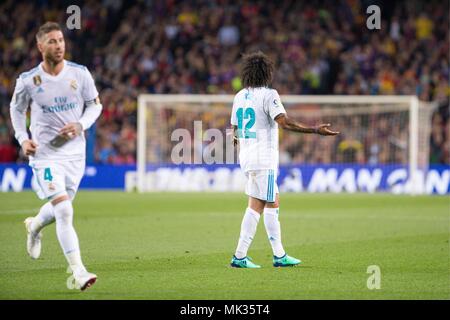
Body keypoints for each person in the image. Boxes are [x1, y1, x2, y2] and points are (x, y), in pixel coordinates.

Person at [9, 22, 102, 289]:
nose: (58, 45)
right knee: (64, 208)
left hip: (75, 154)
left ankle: (35, 226)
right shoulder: (28, 81)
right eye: (52, 41)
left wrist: (81, 124)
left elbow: (95, 106)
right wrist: (23, 138)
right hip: (44, 154)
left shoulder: (80, 74)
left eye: (61, 40)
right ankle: (79, 271)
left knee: (61, 206)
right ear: (40, 46)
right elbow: (16, 111)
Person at [230, 52, 339, 268]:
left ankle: (259, 255)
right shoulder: (269, 95)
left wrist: (241, 142)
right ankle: (254, 256)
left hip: (247, 156)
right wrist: (315, 130)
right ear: (267, 73)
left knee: (264, 202)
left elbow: (235, 128)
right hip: (264, 158)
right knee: (263, 204)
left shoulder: (240, 96)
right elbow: (285, 123)